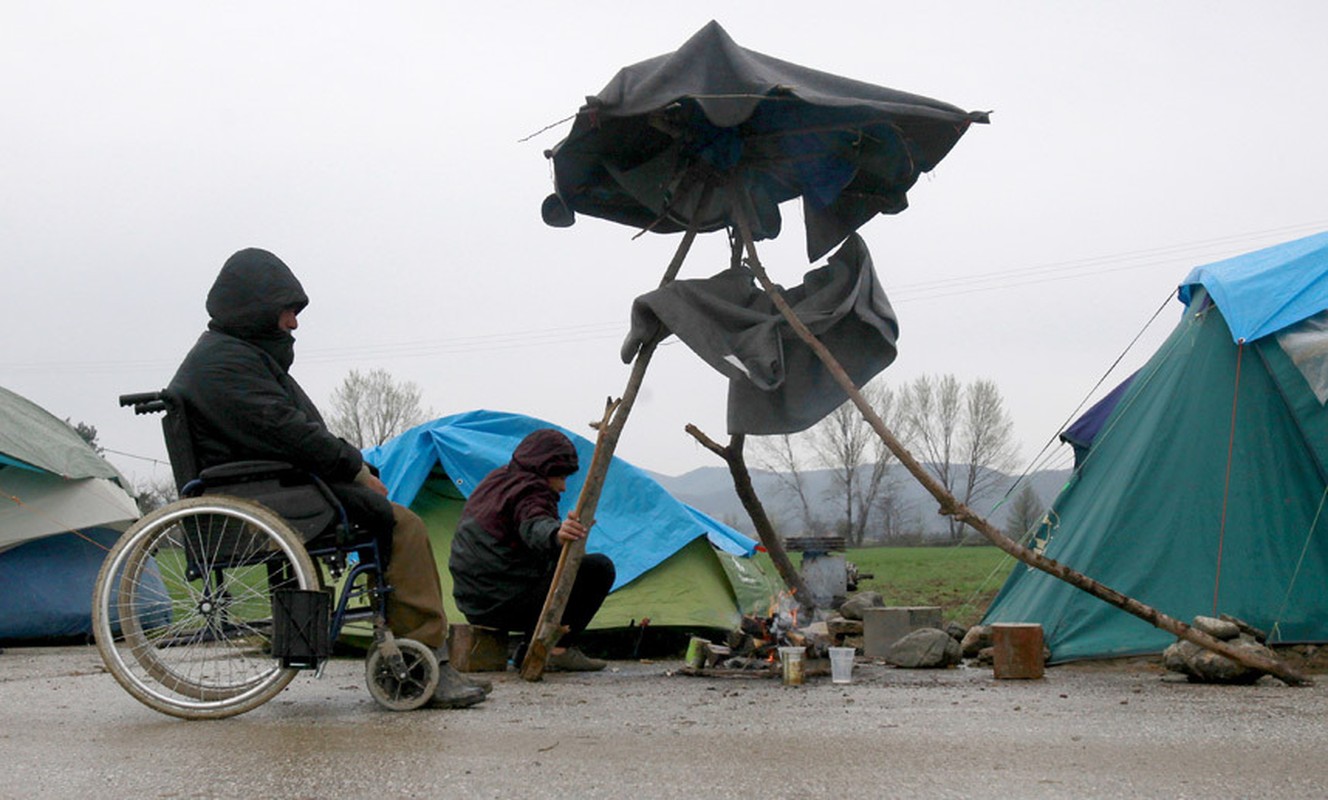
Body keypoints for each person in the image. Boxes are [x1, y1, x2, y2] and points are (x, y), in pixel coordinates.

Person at [168, 247, 486, 709]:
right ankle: (426, 659)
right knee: (405, 527)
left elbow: (288, 432)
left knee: (390, 517)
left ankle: (411, 653)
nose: (294, 323)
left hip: (273, 486)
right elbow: (289, 431)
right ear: (254, 306)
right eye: (286, 311)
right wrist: (353, 468)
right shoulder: (225, 363)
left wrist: (353, 469)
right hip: (267, 492)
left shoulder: (233, 356)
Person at [449, 428, 616, 671]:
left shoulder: (497, 480)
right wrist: (556, 534)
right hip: (503, 602)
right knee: (598, 568)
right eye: (561, 477)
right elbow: (535, 523)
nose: (563, 487)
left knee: (556, 560)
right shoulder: (532, 490)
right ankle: (557, 650)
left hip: (474, 603)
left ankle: (529, 648)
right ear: (546, 470)